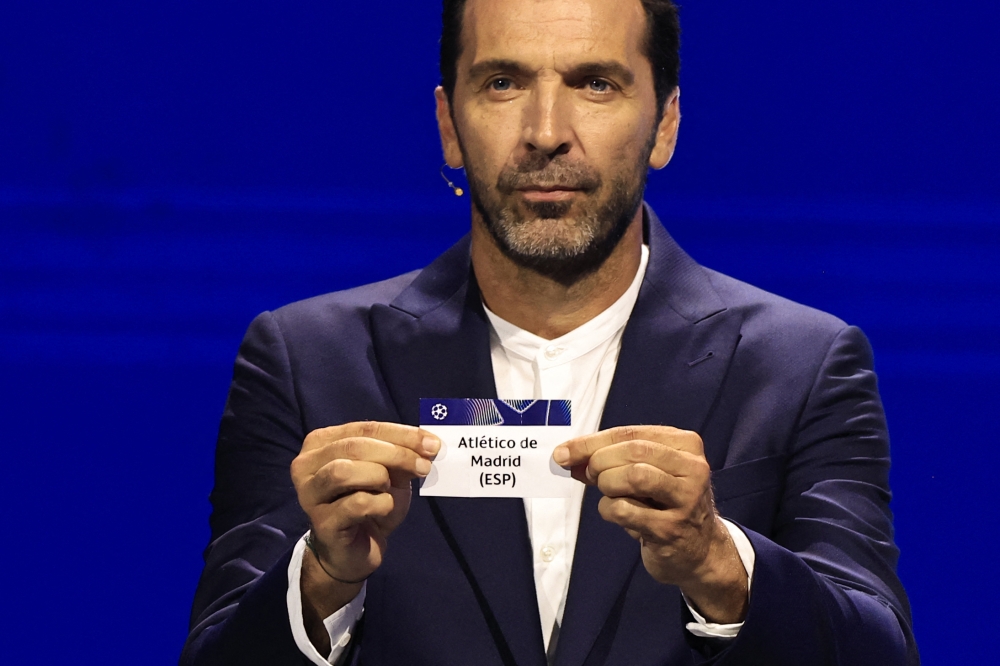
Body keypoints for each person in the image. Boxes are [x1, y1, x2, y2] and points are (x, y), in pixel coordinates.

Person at [181, 0, 919, 664]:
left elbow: (879, 652)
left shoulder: (802, 364)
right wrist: (321, 582)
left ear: (664, 123)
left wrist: (719, 566)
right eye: (503, 82)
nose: (545, 134)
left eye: (595, 83)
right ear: (449, 124)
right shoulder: (307, 360)